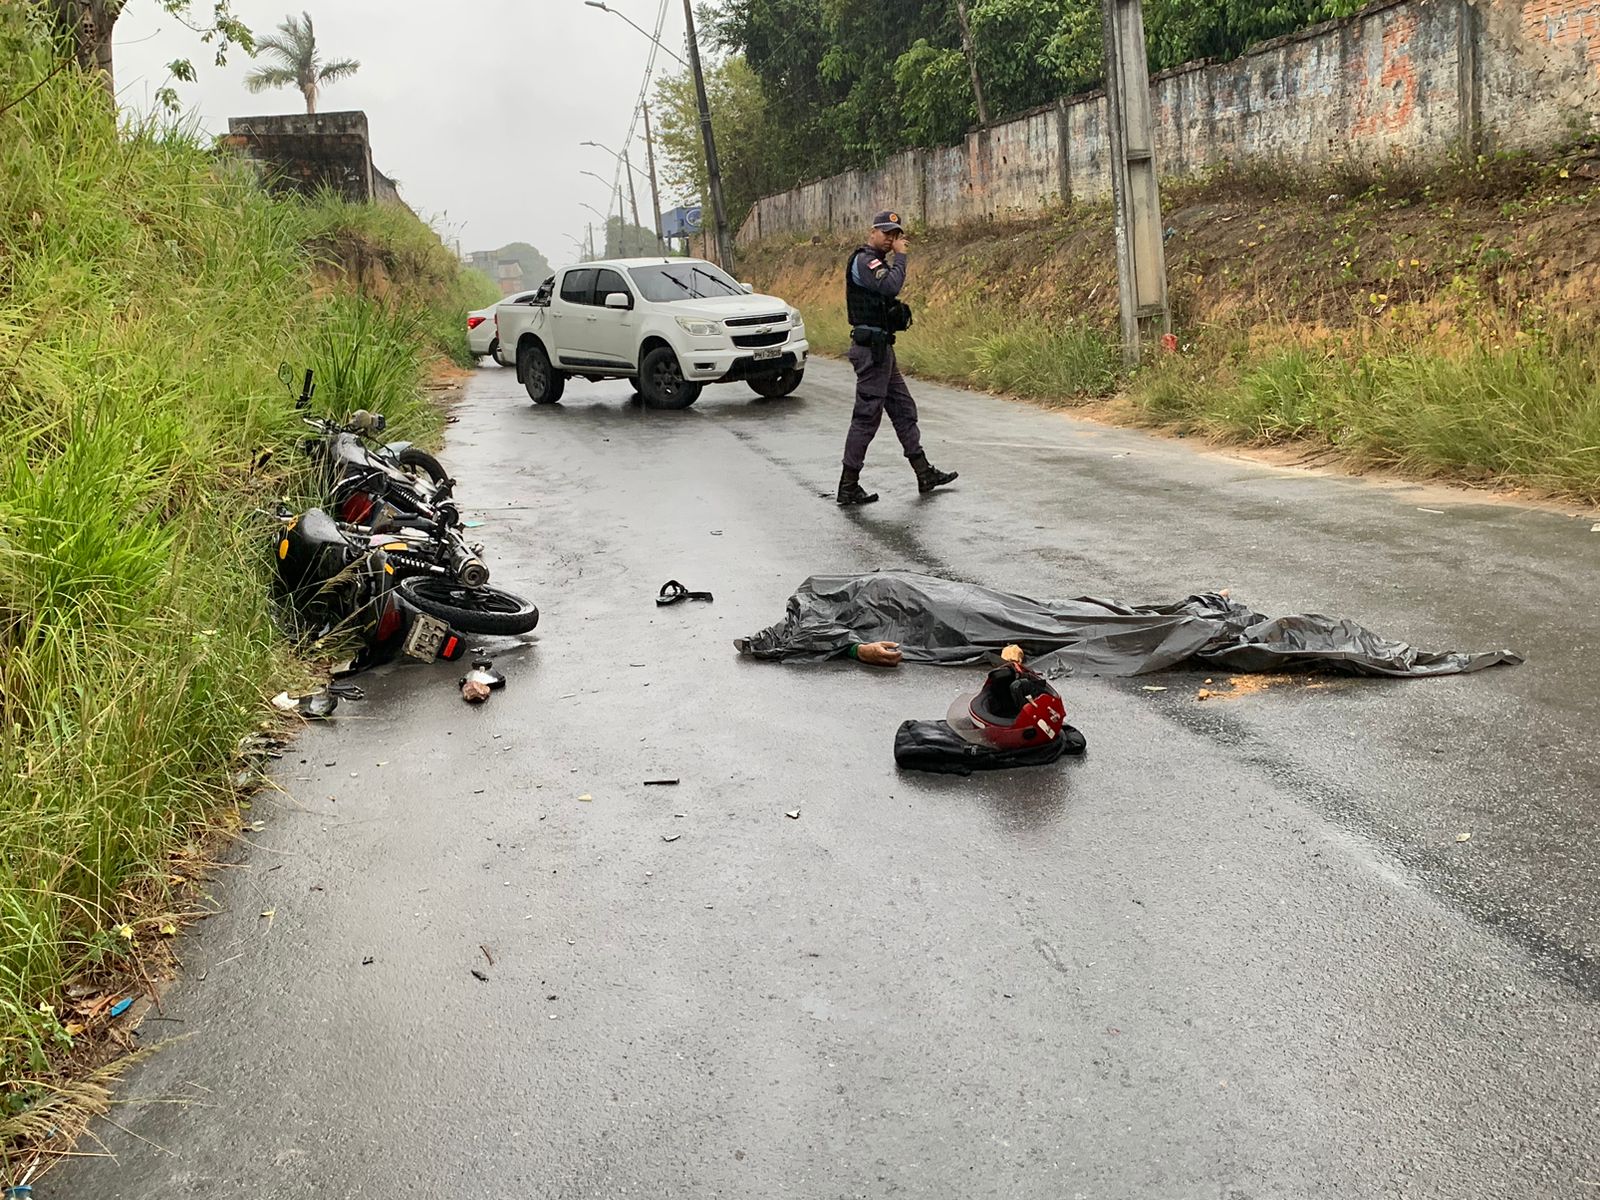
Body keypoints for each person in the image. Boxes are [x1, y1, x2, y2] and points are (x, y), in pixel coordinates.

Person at [837, 210, 957, 506]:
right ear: (873, 232)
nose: (891, 240)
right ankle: (848, 485)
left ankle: (924, 472)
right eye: (886, 233)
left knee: (903, 408)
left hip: (881, 349)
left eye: (895, 235)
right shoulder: (866, 260)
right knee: (866, 418)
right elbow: (890, 286)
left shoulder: (876, 260)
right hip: (871, 351)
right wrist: (902, 257)